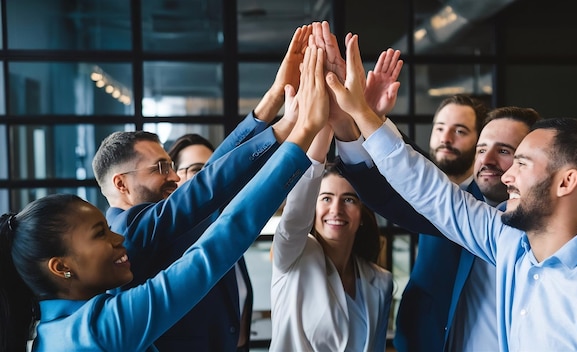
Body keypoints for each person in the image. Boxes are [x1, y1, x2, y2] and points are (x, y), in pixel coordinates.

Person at [0, 49, 330, 348]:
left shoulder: (57, 332)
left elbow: (206, 182)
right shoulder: (101, 326)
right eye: (160, 167)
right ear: (61, 267)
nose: (117, 240)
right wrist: (295, 131)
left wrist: (273, 108)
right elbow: (214, 231)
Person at [326, 33, 577, 351]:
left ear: (566, 182)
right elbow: (429, 189)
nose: (507, 176)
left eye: (521, 162)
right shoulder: (508, 241)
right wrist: (363, 116)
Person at [91, 24, 313, 352]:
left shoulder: (154, 220)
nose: (176, 177)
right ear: (121, 183)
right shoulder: (129, 232)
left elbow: (210, 173)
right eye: (162, 168)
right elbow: (207, 183)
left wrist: (275, 96)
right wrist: (289, 128)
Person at [269, 129, 392, 351]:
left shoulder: (382, 282)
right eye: (326, 198)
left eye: (349, 200)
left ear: (362, 214)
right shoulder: (293, 256)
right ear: (313, 208)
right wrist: (320, 142)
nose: (336, 210)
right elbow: (293, 221)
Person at [167, 132, 254, 350]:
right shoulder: (169, 247)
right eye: (197, 170)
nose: (209, 178)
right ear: (173, 178)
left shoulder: (226, 234)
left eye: (213, 170)